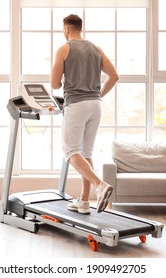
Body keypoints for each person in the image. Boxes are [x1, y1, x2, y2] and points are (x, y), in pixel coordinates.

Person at [50, 14, 119, 213]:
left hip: (76, 104)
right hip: (95, 105)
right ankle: (84, 201)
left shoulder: (64, 49)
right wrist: (98, 94)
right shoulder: (96, 49)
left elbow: (54, 84)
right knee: (86, 152)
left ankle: (100, 185)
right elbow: (114, 76)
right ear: (80, 28)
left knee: (71, 152)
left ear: (66, 30)